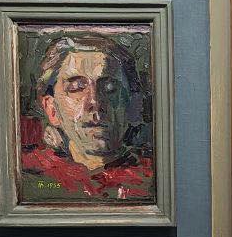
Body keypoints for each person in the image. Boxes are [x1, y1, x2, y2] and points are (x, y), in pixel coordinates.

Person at [20, 33, 154, 201]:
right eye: (76, 87)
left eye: (110, 87)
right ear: (52, 109)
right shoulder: (30, 175)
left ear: (134, 105)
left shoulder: (153, 178)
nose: (94, 102)